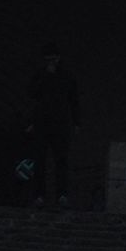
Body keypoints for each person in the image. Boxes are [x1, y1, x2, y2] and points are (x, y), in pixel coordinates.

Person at [24, 43, 80, 208]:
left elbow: (74, 100)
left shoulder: (67, 76)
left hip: (61, 123)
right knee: (39, 159)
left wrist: (77, 122)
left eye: (54, 58)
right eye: (49, 59)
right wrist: (45, 77)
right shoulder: (39, 75)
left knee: (61, 160)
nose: (52, 62)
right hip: (42, 122)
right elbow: (32, 94)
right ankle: (39, 196)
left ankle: (62, 195)